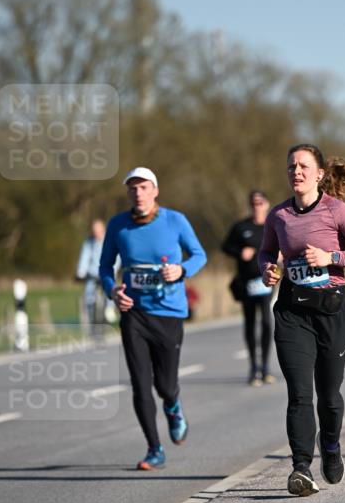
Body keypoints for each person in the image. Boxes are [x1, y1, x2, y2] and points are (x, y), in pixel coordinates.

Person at [259, 144, 345, 496]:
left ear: (320, 174)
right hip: (293, 312)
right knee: (299, 393)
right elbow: (266, 251)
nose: (296, 171)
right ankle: (300, 468)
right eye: (291, 166)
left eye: (303, 166)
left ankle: (331, 445)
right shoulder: (278, 215)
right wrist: (266, 268)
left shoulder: (336, 210)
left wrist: (330, 256)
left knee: (328, 395)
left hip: (332, 311)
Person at [99, 167, 207, 470]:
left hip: (169, 314)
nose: (138, 193)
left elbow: (199, 254)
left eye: (144, 187)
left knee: (165, 385)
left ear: (155, 190)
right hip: (134, 313)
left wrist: (181, 270)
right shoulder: (118, 225)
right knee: (140, 383)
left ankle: (173, 406)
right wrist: (113, 292)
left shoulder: (175, 220)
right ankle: (154, 448)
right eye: (133, 188)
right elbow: (105, 267)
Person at [222, 191, 275, 385]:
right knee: (251, 323)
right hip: (246, 282)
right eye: (253, 203)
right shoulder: (241, 227)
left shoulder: (273, 226)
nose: (257, 206)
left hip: (266, 281)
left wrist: (280, 257)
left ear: (267, 204)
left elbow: (285, 246)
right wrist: (239, 252)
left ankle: (266, 367)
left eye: (260, 203)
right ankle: (254, 367)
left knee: (268, 322)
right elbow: (225, 246)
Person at [76, 220, 107, 334]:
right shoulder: (89, 243)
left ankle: (107, 316)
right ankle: (92, 324)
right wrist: (80, 273)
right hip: (92, 275)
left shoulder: (109, 241)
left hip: (106, 274)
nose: (96, 234)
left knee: (109, 296)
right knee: (89, 297)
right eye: (94, 231)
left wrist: (111, 271)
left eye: (98, 231)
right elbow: (84, 258)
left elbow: (116, 259)